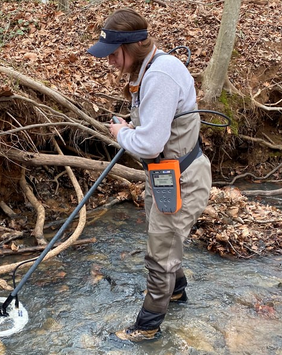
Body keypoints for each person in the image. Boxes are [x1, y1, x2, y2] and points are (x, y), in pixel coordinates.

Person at [87, 8, 212, 342]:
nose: (110, 61)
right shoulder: (149, 70)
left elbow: (150, 142)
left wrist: (121, 135)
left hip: (182, 179)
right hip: (166, 177)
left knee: (160, 254)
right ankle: (176, 292)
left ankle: (147, 328)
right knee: (164, 242)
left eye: (113, 54)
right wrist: (131, 128)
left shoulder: (159, 76)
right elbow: (155, 128)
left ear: (132, 47)